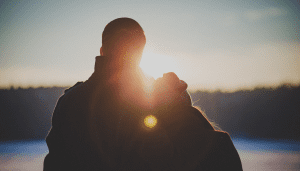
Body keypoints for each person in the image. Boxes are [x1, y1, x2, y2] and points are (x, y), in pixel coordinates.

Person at [44, 17, 243, 171]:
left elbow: (54, 163)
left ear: (102, 50)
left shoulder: (69, 102)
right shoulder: (149, 100)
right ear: (140, 53)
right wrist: (179, 107)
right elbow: (167, 160)